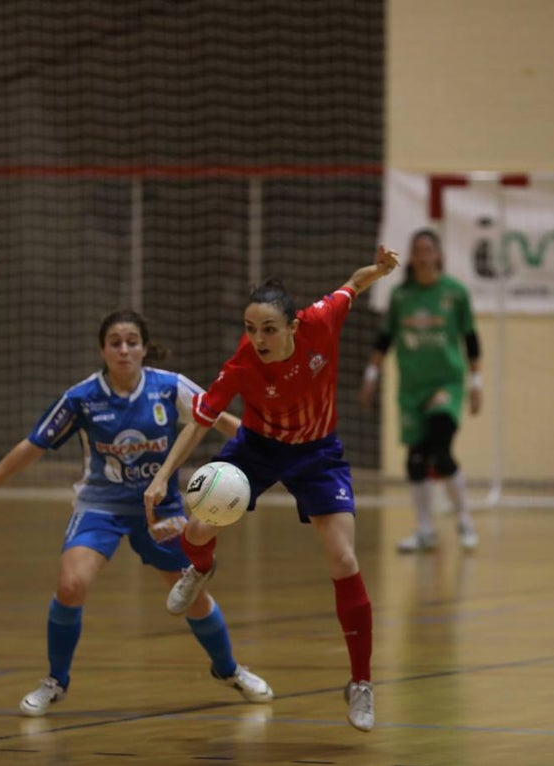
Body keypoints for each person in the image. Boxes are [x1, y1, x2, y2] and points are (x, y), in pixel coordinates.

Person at [0, 310, 273, 717]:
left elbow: (220, 420)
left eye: (132, 342)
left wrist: (270, 455)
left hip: (160, 508)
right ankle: (55, 681)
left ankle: (229, 670)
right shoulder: (82, 397)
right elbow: (33, 445)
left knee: (193, 596)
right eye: (115, 343)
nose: (124, 350)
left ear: (144, 348)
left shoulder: (167, 387)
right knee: (71, 584)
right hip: (100, 506)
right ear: (103, 350)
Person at [143, 245, 401, 733]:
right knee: (197, 529)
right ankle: (199, 570)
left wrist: (381, 269)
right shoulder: (242, 362)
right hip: (257, 448)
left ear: (292, 326)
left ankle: (361, 683)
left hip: (318, 453)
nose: (257, 339)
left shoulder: (322, 322)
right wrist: (162, 477)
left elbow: (355, 283)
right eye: (249, 328)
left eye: (267, 329)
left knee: (343, 559)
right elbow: (200, 422)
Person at [359, 229, 482, 554]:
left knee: (440, 454)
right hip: (412, 388)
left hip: (446, 384)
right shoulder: (401, 296)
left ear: (438, 255)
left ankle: (465, 520)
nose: (423, 256)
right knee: (415, 461)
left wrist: (476, 384)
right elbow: (383, 340)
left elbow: (470, 339)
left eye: (428, 250)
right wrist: (371, 375)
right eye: (417, 251)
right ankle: (425, 530)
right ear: (412, 257)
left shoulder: (455, 294)